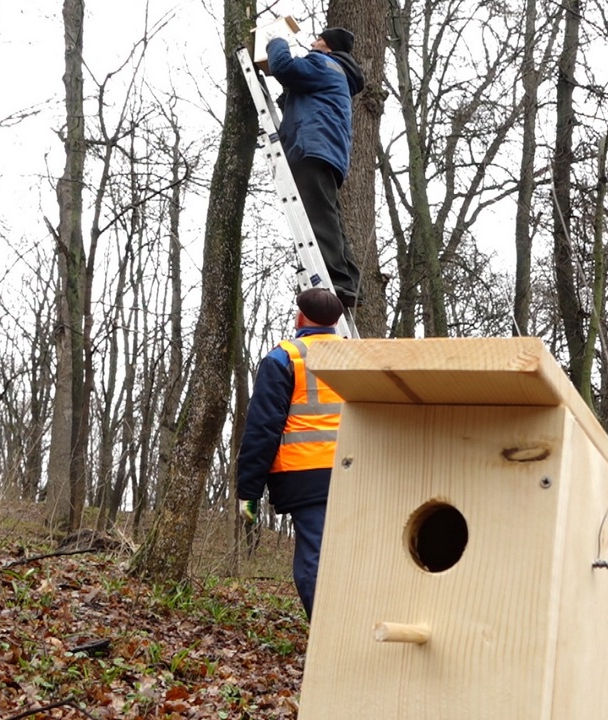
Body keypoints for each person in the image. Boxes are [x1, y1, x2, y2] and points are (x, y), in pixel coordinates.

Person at [236, 288, 345, 618]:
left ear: (300, 317)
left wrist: (249, 493)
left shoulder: (285, 357)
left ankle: (330, 643)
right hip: (356, 472)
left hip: (305, 477)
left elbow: (263, 429)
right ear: (337, 321)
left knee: (313, 563)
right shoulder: (356, 353)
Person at [265, 27, 365, 308]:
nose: (311, 42)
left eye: (318, 40)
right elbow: (307, 100)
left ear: (330, 47)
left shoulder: (324, 63)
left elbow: (283, 66)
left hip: (312, 147)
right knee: (329, 217)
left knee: (318, 218)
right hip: (324, 150)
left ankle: (335, 281)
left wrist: (275, 40)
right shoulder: (338, 75)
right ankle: (348, 283)